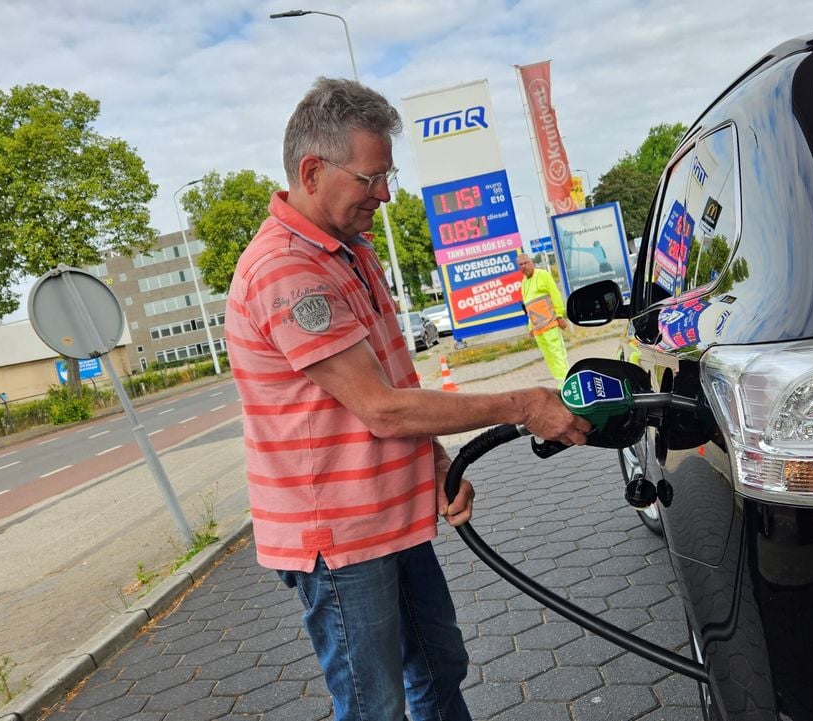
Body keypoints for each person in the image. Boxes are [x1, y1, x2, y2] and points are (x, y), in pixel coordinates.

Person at [225, 77, 590, 721]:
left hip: (389, 517)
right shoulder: (286, 270)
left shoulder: (352, 252)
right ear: (312, 172)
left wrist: (438, 464)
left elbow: (396, 385)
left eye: (387, 176)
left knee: (439, 668)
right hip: (341, 538)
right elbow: (382, 408)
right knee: (375, 706)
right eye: (371, 178)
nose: (386, 194)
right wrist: (524, 404)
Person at [517, 253, 569, 383]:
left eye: (526, 263)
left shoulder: (543, 275)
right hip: (538, 330)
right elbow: (528, 307)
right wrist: (530, 327)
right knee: (549, 358)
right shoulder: (524, 283)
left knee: (558, 356)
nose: (524, 266)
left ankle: (567, 385)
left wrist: (559, 315)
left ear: (532, 263)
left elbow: (555, 295)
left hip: (551, 325)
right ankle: (560, 385)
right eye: (521, 264)